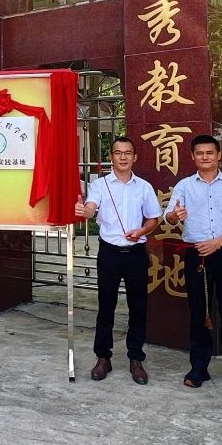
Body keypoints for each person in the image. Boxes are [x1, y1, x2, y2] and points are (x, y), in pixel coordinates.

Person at [164, 134, 222, 394]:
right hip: (197, 256)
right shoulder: (184, 185)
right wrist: (174, 215)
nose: (205, 157)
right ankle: (198, 368)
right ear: (192, 156)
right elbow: (169, 216)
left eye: (209, 153)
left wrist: (217, 242)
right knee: (198, 312)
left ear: (218, 156)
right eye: (199, 153)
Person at [75, 137, 162, 385]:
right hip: (109, 254)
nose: (123, 157)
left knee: (138, 308)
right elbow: (91, 208)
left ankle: (136, 358)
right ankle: (103, 357)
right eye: (117, 153)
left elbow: (153, 219)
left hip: (136, 254)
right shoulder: (100, 185)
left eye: (127, 153)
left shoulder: (144, 187)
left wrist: (142, 231)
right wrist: (85, 211)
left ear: (135, 157)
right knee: (106, 307)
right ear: (111, 157)